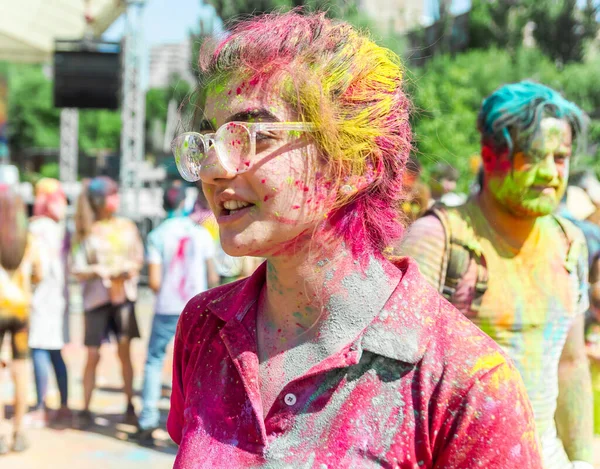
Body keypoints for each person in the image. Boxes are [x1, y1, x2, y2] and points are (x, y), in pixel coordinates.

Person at [166, 12, 542, 468]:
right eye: (208, 140)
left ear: (354, 164)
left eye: (254, 136)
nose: (211, 169)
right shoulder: (204, 327)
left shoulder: (464, 382)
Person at [399, 81, 593, 469]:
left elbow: (571, 365)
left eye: (560, 157)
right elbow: (395, 383)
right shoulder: (438, 240)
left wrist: (584, 461)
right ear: (491, 156)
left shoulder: (570, 244)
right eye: (533, 156)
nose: (550, 173)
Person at [136, 182, 218, 445]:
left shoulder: (157, 235)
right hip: (196, 307)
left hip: (167, 307)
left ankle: (147, 420)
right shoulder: (201, 233)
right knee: (195, 365)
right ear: (185, 202)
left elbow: (155, 282)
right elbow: (213, 274)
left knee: (154, 360)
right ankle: (193, 423)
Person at [72, 176, 143, 428]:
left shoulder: (127, 227)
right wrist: (97, 270)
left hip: (123, 297)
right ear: (100, 200)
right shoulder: (86, 230)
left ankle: (130, 404)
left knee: (125, 353)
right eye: (112, 194)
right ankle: (85, 408)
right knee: (92, 354)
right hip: (96, 300)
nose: (117, 199)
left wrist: (128, 269)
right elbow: (76, 267)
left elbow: (138, 259)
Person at [0, 185, 42, 454]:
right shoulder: (30, 239)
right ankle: (19, 431)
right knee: (21, 370)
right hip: (20, 312)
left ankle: (1, 436)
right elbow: (39, 273)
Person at [28, 178, 71, 427]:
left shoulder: (37, 228)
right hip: (59, 297)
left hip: (42, 296)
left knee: (39, 349)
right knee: (54, 351)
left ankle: (41, 406)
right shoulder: (61, 228)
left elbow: (38, 269)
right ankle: (64, 406)